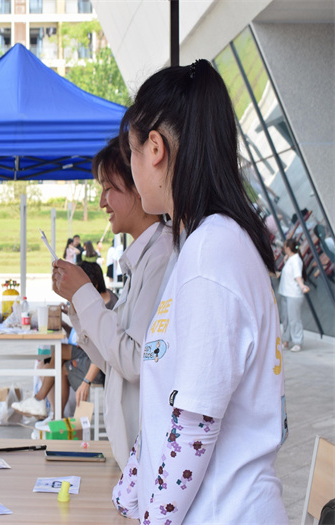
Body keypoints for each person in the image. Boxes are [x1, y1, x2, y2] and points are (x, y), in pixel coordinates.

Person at [110, 59, 287, 523]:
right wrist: (128, 494)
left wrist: (150, 518)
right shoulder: (199, 246)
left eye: (129, 154)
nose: (130, 169)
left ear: (155, 149)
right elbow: (168, 405)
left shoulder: (213, 252)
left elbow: (194, 427)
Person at [51, 135, 173, 466]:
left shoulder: (163, 257)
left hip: (148, 460)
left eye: (110, 188)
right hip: (134, 460)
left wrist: (84, 294)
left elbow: (136, 361)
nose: (103, 202)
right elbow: (112, 360)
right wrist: (78, 307)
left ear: (139, 184)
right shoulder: (145, 258)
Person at [12, 262, 117, 419]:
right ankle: (56, 417)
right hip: (86, 353)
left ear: (92, 284)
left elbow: (104, 348)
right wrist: (67, 319)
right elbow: (81, 335)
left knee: (58, 358)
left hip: (99, 365)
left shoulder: (106, 307)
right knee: (53, 363)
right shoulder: (98, 298)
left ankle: (44, 405)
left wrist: (86, 382)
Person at [278, 238, 310, 352]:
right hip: (285, 293)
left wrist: (302, 286)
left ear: (287, 248)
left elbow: (297, 276)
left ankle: (298, 342)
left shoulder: (296, 260)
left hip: (293, 294)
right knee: (286, 319)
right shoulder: (290, 259)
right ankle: (286, 340)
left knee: (294, 319)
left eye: (284, 247)